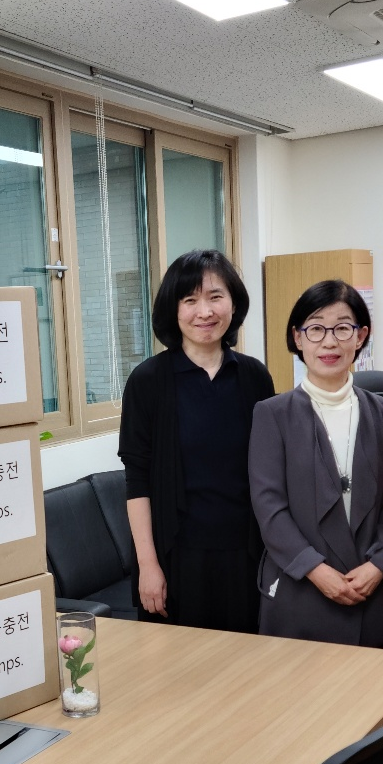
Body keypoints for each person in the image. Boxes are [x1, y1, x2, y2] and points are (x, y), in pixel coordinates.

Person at [118, 249, 275, 632]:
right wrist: (148, 565)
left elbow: (271, 472)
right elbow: (137, 480)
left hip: (246, 555)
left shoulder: (254, 377)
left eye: (215, 297)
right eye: (190, 300)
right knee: (177, 663)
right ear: (173, 310)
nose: (205, 311)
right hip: (176, 559)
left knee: (247, 660)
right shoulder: (148, 381)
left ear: (233, 304)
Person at [248, 280, 383, 648]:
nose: (329, 341)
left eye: (342, 328)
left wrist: (380, 565)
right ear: (298, 338)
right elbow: (269, 507)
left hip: (370, 589)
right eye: (316, 328)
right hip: (300, 590)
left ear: (361, 336)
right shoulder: (272, 414)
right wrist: (315, 570)